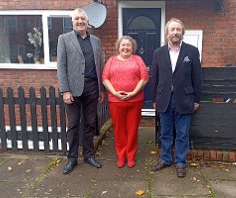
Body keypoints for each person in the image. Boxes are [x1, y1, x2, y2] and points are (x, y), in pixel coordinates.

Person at [151, 18, 202, 178]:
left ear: (182, 33)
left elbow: (197, 77)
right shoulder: (158, 53)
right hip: (164, 99)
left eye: (178, 30)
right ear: (167, 33)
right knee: (165, 133)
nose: (175, 32)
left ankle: (180, 162)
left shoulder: (192, 51)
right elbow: (155, 77)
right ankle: (166, 159)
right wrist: (154, 99)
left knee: (182, 134)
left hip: (185, 99)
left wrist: (197, 100)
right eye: (172, 29)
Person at [57, 8, 105, 174]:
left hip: (92, 87)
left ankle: (89, 155)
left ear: (87, 21)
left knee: (90, 123)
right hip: (73, 89)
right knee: (73, 124)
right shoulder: (64, 39)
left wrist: (101, 89)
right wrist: (65, 90)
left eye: (82, 19)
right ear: (72, 22)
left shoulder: (96, 41)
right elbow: (61, 66)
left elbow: (101, 65)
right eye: (77, 19)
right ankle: (71, 158)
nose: (80, 21)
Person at [102, 36, 149, 168]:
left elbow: (144, 78)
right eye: (123, 45)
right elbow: (105, 78)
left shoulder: (138, 60)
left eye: (128, 45)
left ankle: (130, 155)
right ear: (118, 47)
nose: (125, 47)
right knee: (119, 130)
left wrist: (134, 92)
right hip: (115, 101)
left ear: (132, 48)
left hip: (135, 101)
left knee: (132, 129)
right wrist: (114, 93)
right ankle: (121, 155)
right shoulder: (111, 61)